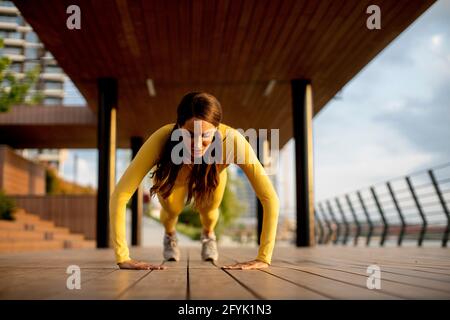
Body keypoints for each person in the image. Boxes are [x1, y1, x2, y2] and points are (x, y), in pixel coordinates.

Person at [109, 92, 279, 270]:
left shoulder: (233, 141)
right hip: (172, 177)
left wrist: (263, 258)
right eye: (189, 134)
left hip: (211, 177)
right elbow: (120, 195)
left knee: (209, 209)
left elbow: (269, 198)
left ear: (216, 130)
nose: (196, 145)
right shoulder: (161, 139)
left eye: (205, 136)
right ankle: (170, 235)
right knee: (172, 210)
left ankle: (208, 235)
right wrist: (123, 257)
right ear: (179, 126)